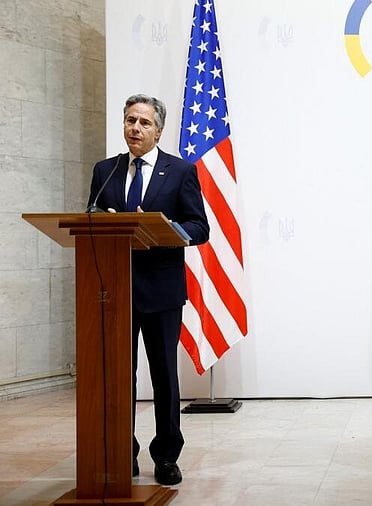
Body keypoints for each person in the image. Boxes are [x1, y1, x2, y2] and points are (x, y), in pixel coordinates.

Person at [87, 94, 209, 486]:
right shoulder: (105, 170)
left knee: (163, 377)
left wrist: (165, 227)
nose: (134, 128)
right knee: (120, 376)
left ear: (158, 130)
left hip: (161, 290)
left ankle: (166, 454)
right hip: (114, 290)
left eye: (143, 122)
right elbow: (88, 216)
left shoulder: (179, 171)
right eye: (129, 121)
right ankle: (122, 449)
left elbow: (199, 226)